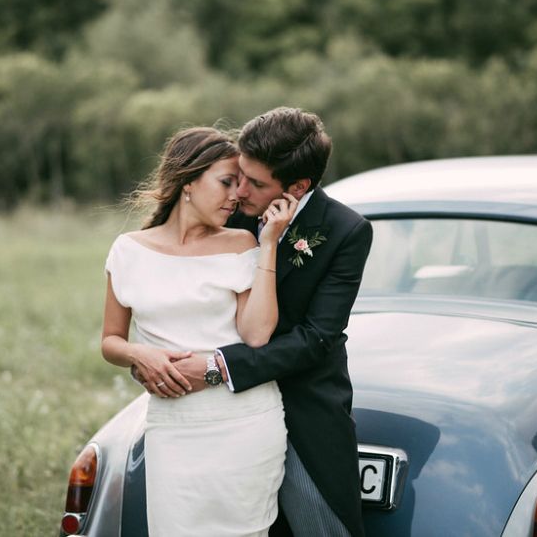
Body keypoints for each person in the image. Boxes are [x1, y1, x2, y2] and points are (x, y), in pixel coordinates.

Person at [172, 108, 373, 537]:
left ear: (298, 187)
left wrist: (218, 367)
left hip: (306, 411)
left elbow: (317, 337)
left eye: (256, 183)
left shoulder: (346, 231)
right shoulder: (228, 212)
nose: (239, 191)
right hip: (219, 413)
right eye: (239, 174)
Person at [101, 127, 297, 537]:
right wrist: (141, 355)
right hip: (171, 428)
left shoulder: (242, 242)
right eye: (227, 182)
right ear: (188, 181)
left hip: (245, 425)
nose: (236, 196)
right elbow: (112, 341)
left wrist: (270, 244)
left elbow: (258, 334)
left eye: (241, 185)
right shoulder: (128, 250)